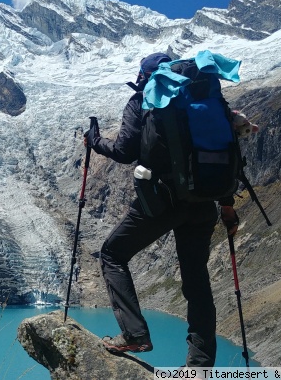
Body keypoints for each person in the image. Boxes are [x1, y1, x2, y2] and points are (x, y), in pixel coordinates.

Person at [84, 52, 240, 367]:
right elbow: (227, 153)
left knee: (113, 254)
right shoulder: (205, 97)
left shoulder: (144, 99)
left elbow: (124, 151)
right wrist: (227, 206)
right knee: (197, 281)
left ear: (145, 76)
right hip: (203, 202)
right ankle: (199, 365)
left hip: (161, 200)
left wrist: (95, 140)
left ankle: (134, 335)